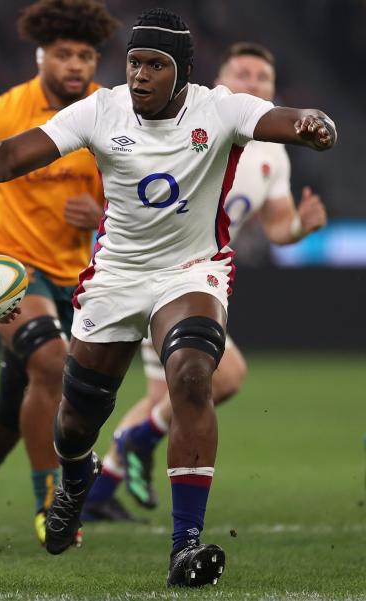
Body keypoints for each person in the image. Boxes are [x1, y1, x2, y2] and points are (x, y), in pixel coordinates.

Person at [0, 8, 336, 586]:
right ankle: (74, 484)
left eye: (155, 64)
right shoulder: (101, 110)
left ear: (181, 72)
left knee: (192, 376)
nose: (140, 75)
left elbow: (287, 119)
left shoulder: (220, 107)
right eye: (134, 63)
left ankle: (185, 546)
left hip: (191, 272)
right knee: (76, 422)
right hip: (116, 277)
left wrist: (314, 122)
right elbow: (5, 161)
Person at [85, 41, 329, 519]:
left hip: (193, 278)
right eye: (244, 74)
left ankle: (99, 489)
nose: (254, 84)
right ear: (220, 78)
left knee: (171, 395)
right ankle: (118, 456)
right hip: (145, 272)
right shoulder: (197, 126)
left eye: (264, 78)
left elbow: (278, 228)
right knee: (219, 377)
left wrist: (303, 225)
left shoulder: (272, 154)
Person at [0, 0, 119, 550]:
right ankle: (53, 503)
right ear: (40, 55)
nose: (74, 65)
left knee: (15, 399)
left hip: (77, 274)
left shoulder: (111, 114)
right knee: (50, 362)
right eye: (63, 54)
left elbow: (138, 188)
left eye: (85, 55)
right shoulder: (4, 110)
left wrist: (103, 215)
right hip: (7, 266)